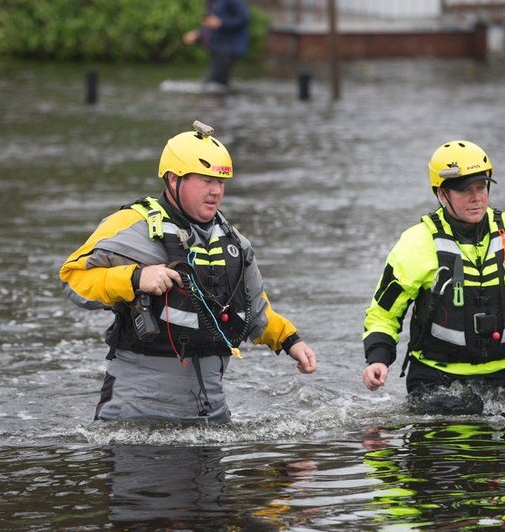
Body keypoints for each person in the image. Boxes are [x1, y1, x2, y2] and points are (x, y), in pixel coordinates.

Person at [60, 120, 316, 424]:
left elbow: (255, 312)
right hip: (137, 411)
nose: (215, 191)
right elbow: (73, 280)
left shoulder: (236, 243)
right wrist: (135, 279)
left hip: (210, 411)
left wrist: (290, 341)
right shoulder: (130, 226)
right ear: (173, 179)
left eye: (220, 182)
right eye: (205, 180)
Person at [361, 140, 505, 413]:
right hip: (434, 381)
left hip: (504, 379)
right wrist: (378, 359)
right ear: (441, 194)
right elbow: (383, 313)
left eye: (481, 187)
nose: (476, 198)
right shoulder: (415, 244)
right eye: (464, 191)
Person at [182, 0, 250, 89]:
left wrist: (222, 23)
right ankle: (226, 106)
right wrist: (198, 34)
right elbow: (210, 24)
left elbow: (244, 19)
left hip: (229, 48)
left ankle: (218, 107)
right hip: (217, 48)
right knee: (220, 86)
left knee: (208, 85)